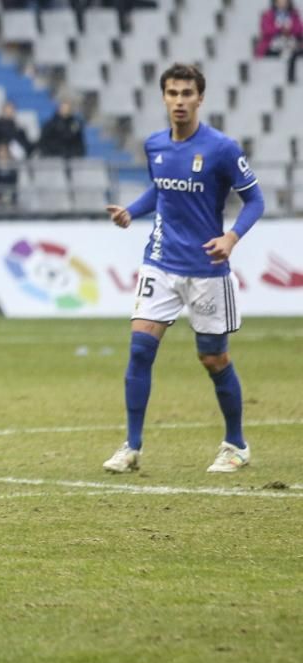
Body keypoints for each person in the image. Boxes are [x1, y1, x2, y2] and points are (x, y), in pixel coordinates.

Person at [102, 63, 264, 475]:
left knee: (213, 360)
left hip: (206, 270)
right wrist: (131, 212)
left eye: (186, 93)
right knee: (140, 349)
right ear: (163, 97)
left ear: (200, 98)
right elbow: (160, 189)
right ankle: (132, 446)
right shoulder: (155, 144)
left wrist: (232, 238)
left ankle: (237, 445)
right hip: (160, 261)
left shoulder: (222, 149)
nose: (179, 101)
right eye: (172, 93)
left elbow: (256, 200)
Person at [255, 0, 303, 83]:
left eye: (284, 1)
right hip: (274, 43)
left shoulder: (294, 14)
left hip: (291, 41)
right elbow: (266, 29)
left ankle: (291, 77)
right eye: (279, 1)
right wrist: (280, 30)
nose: (282, 3)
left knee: (293, 50)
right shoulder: (268, 15)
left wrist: (289, 30)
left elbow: (299, 28)